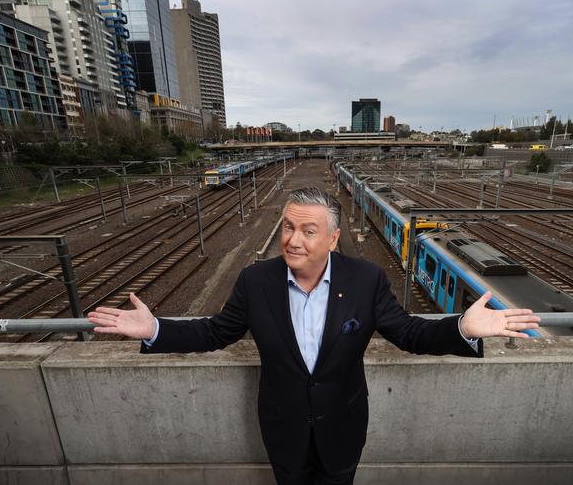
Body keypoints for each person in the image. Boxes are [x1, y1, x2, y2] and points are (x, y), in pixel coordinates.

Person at [88, 187, 540, 485]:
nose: (293, 239)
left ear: (333, 238)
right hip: (283, 431)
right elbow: (216, 331)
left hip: (342, 429)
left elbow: (408, 332)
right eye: (288, 226)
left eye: (308, 230)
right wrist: (155, 330)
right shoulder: (254, 280)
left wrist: (460, 327)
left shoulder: (365, 279)